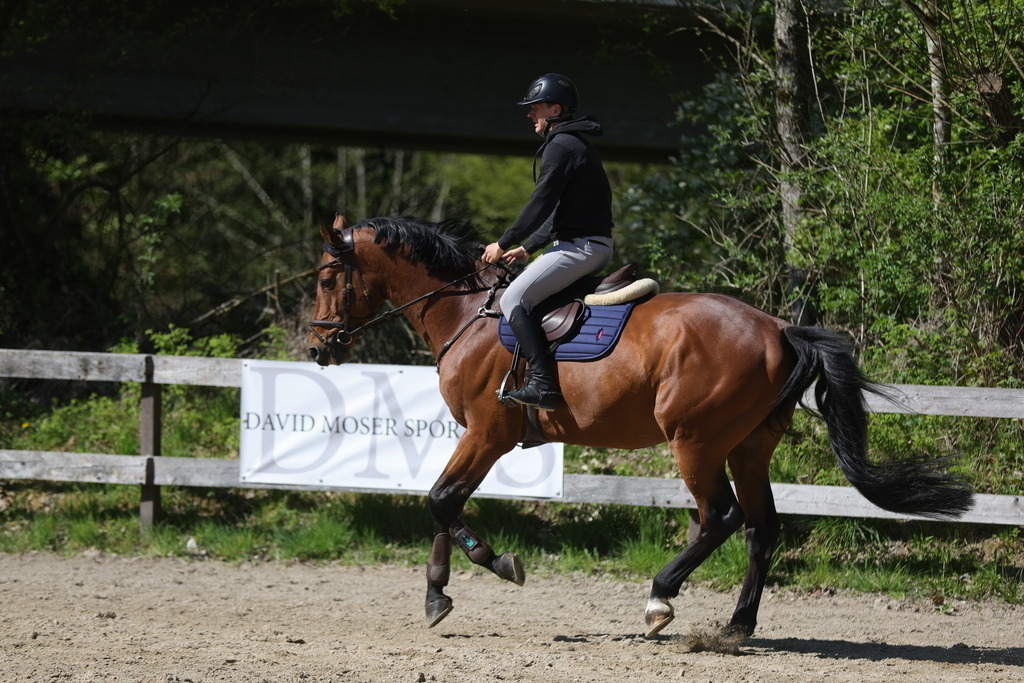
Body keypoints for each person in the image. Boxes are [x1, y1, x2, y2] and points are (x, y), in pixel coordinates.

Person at [482, 73, 614, 411]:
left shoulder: (561, 145)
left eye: (536, 108)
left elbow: (540, 202)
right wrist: (528, 246)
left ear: (555, 109)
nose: (530, 115)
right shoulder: (572, 144)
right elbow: (559, 211)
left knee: (512, 298)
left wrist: (503, 240)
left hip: (580, 247)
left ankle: (543, 386)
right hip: (584, 244)